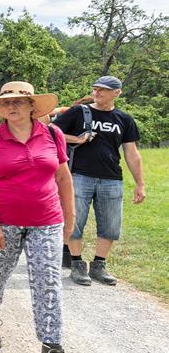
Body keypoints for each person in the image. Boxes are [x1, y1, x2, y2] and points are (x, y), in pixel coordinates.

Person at [0, 82, 77, 353]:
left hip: (46, 221)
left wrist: (70, 219)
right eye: (6, 103)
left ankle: (52, 352)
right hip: (3, 221)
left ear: (33, 105)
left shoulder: (53, 135)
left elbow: (62, 176)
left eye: (19, 101)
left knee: (49, 282)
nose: (12, 107)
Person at [52, 76, 145, 286]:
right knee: (75, 222)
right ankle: (76, 264)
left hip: (112, 178)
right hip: (79, 175)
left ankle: (99, 265)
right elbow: (51, 131)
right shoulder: (79, 112)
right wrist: (76, 139)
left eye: (102, 90)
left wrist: (140, 183)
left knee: (110, 226)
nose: (97, 93)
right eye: (95, 89)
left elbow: (132, 153)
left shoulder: (125, 119)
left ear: (117, 93)